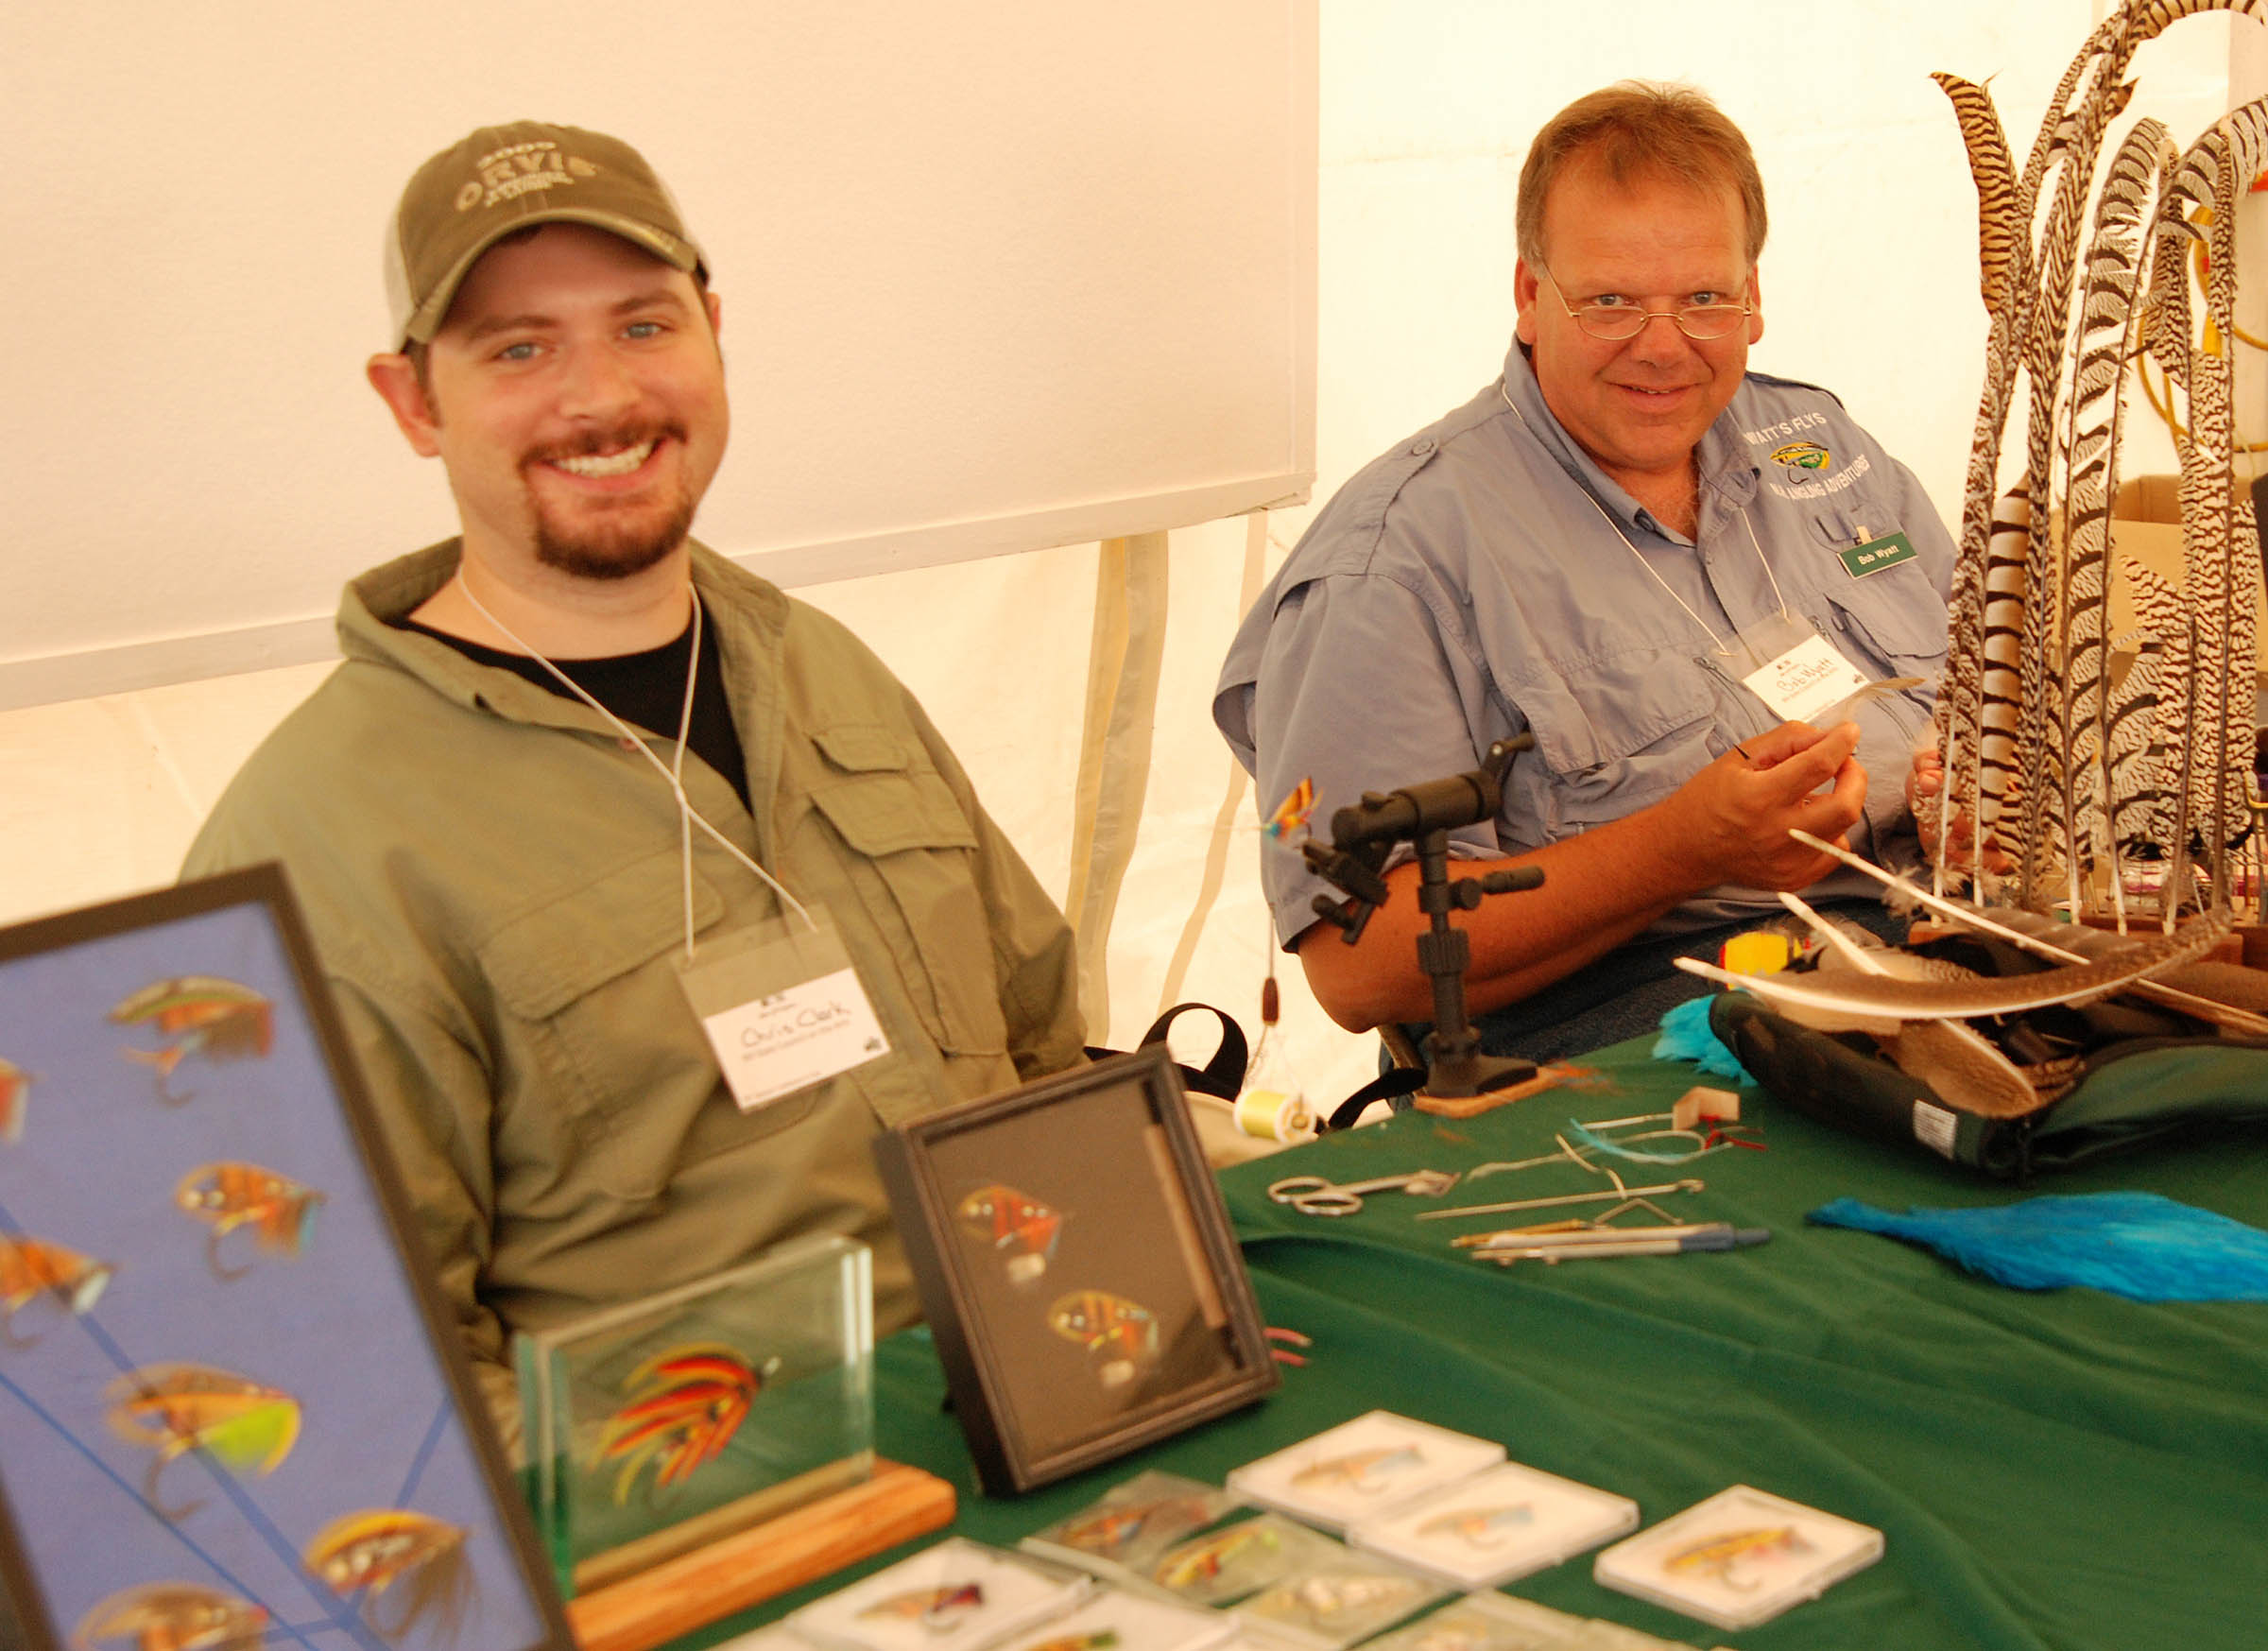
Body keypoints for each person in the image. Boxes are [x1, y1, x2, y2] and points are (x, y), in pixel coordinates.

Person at [183, 122, 1085, 1439]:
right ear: (412, 403)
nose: (602, 398)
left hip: (1048, 1394)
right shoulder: (318, 842)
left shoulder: (815, 664)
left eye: (645, 325)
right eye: (518, 347)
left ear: (714, 332)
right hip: (718, 1522)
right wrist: (680, 1508)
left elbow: (1045, 1040)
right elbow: (357, 1366)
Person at [1213, 82, 1955, 1064]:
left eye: (1703, 299)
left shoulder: (1817, 443)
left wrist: (1978, 790)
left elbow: (1992, 692)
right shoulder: (1395, 560)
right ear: (1529, 297)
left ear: (1755, 297)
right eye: (1610, 302)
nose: (1663, 345)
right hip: (1641, 1036)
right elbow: (1361, 970)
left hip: (1941, 954)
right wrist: (1681, 852)